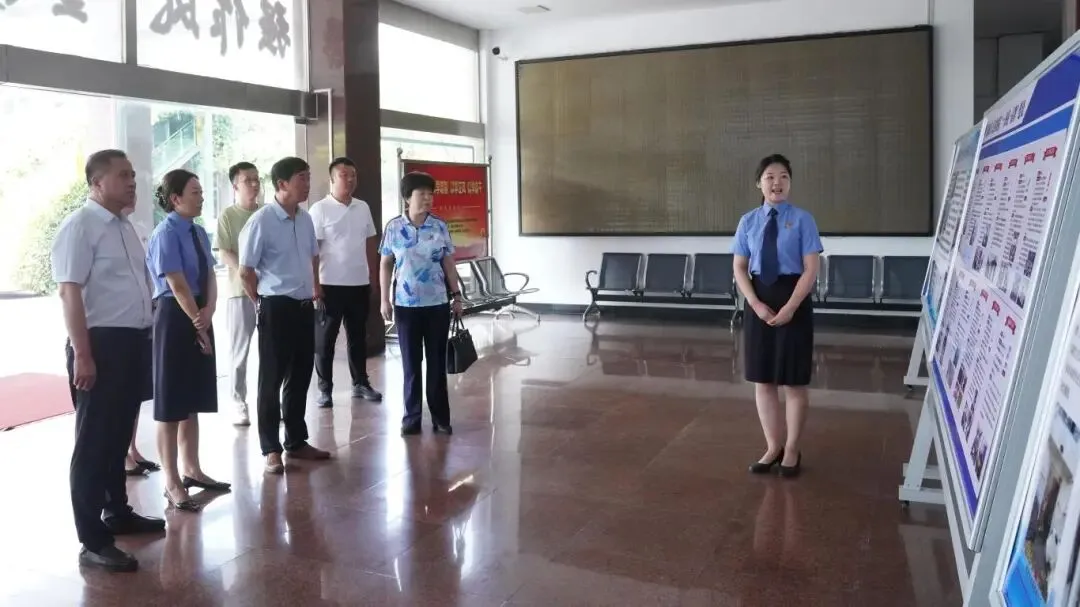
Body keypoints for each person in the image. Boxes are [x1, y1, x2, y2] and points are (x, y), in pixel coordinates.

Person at [51, 149, 166, 573]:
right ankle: (92, 539)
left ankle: (117, 511)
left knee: (118, 436)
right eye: (123, 176)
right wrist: (83, 354)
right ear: (97, 183)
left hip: (132, 342)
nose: (132, 182)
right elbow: (69, 292)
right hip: (99, 344)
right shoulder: (80, 226)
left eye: (133, 175)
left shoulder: (125, 227)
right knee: (94, 443)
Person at [732, 154, 823, 479]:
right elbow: (739, 267)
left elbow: (811, 268)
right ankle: (773, 446)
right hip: (759, 299)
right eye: (770, 177)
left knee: (793, 381)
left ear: (790, 182)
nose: (777, 183)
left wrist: (791, 307)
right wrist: (755, 303)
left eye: (784, 176)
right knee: (764, 380)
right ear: (759, 183)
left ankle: (792, 449)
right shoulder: (748, 222)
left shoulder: (803, 220)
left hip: (793, 298)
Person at [146, 169, 232, 512]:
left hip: (199, 312)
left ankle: (192, 468)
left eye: (201, 191)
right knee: (171, 403)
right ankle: (171, 481)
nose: (201, 197)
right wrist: (199, 322)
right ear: (175, 198)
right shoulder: (165, 233)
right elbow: (177, 283)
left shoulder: (197, 231)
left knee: (192, 397)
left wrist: (209, 309)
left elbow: (210, 273)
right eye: (195, 192)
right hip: (174, 315)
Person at [239, 156, 331, 474]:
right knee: (271, 378)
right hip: (276, 307)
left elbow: (314, 256)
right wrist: (260, 302)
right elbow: (245, 270)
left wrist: (315, 286)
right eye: (301, 178)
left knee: (300, 375)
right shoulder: (261, 221)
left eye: (308, 176)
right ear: (281, 184)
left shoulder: (305, 219)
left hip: (304, 306)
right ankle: (270, 448)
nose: (307, 183)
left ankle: (296, 440)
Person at [379, 171, 464, 436]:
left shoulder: (439, 226)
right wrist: (384, 299)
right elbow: (385, 263)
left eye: (430, 193)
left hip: (437, 304)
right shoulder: (394, 227)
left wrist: (457, 295)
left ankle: (440, 417)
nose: (428, 198)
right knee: (411, 365)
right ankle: (411, 417)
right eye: (422, 193)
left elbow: (448, 263)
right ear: (407, 197)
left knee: (437, 364)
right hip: (406, 307)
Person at [309, 157, 383, 408]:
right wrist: (315, 284)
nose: (350, 180)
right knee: (325, 340)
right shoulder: (319, 209)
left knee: (358, 337)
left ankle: (360, 382)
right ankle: (325, 389)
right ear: (332, 179)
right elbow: (313, 251)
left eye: (353, 175)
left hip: (359, 283)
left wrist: (373, 276)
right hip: (329, 285)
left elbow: (370, 241)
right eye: (344, 175)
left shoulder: (362, 207)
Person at [213, 161, 262, 426]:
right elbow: (224, 252)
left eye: (256, 179)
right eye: (247, 180)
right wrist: (247, 274)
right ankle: (238, 402)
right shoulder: (228, 216)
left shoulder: (266, 213)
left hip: (268, 292)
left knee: (270, 352)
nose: (254, 184)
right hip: (239, 292)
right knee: (239, 352)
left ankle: (268, 402)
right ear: (235, 186)